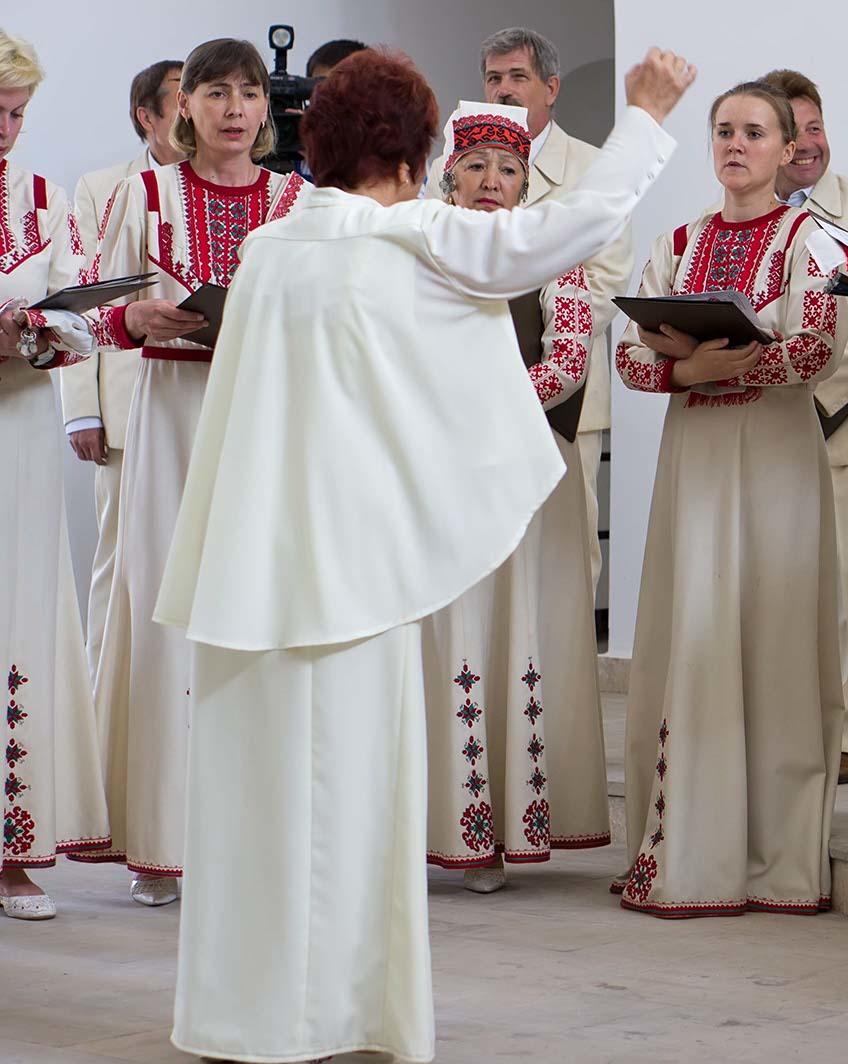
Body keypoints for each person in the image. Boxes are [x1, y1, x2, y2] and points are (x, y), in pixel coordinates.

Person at [152, 46, 688, 1063]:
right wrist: (647, 119)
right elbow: (551, 235)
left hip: (248, 577)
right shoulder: (405, 237)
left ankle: (240, 1015)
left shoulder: (271, 249)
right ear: (412, 149)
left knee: (254, 813)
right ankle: (340, 1014)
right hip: (349, 581)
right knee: (344, 805)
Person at [74, 38, 307, 907]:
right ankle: (162, 840)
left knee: (261, 606)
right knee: (166, 604)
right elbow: (88, 313)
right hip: (172, 413)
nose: (235, 108)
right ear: (186, 106)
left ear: (267, 111)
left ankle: (261, 828)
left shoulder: (298, 199)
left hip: (265, 417)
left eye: (249, 92)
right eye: (216, 92)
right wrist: (137, 315)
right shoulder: (145, 194)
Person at [612, 79, 847, 917]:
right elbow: (629, 360)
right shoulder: (675, 241)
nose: (735, 145)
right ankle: (688, 845)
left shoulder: (812, 243)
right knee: (693, 632)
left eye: (754, 132)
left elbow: (812, 352)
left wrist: (713, 364)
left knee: (774, 646)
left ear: (791, 150)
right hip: (697, 462)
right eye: (723, 131)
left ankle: (775, 859)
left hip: (777, 463)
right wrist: (690, 369)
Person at [421, 100, 610, 891]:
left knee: (518, 631)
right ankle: (446, 826)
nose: (492, 181)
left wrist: (480, 402)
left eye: (508, 170)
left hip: (526, 480)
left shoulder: (552, 258)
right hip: (440, 479)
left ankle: (508, 829)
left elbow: (568, 358)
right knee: (451, 636)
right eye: (477, 167)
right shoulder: (423, 253)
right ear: (449, 176)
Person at [428, 28, 630, 609]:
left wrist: (517, 371)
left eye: (518, 77)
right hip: (452, 422)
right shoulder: (445, 171)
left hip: (557, 404)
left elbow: (606, 280)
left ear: (551, 87)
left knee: (559, 559)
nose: (505, 89)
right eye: (494, 78)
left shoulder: (592, 169)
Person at [759, 67, 848, 786]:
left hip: (846, 425)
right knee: (778, 586)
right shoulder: (743, 215)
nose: (811, 142)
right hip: (763, 433)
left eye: (818, 126)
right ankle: (780, 721)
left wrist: (805, 395)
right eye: (797, 130)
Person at [0, 27, 110, 922]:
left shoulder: (45, 196)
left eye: (19, 112)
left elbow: (84, 321)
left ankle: (13, 852)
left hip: (20, 430)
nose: (10, 128)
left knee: (24, 615)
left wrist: (41, 332)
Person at [57, 57, 182, 689]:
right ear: (148, 116)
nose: (198, 111)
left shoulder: (233, 183)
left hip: (199, 406)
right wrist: (82, 406)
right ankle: (102, 691)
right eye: (182, 99)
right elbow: (77, 299)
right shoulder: (102, 187)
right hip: (124, 405)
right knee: (118, 553)